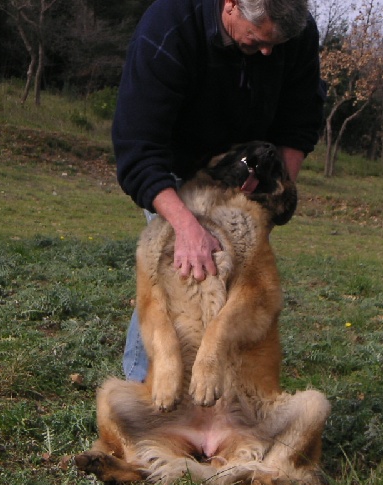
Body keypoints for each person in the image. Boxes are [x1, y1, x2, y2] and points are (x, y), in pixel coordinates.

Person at [112, 0, 325, 381]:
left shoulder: (294, 31)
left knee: (238, 276)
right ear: (230, 5)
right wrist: (185, 226)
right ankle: (143, 386)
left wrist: (276, 194)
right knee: (181, 273)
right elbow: (138, 149)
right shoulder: (168, 29)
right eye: (255, 41)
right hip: (177, 169)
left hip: (247, 165)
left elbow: (300, 119)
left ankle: (216, 397)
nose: (266, 53)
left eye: (275, 44)